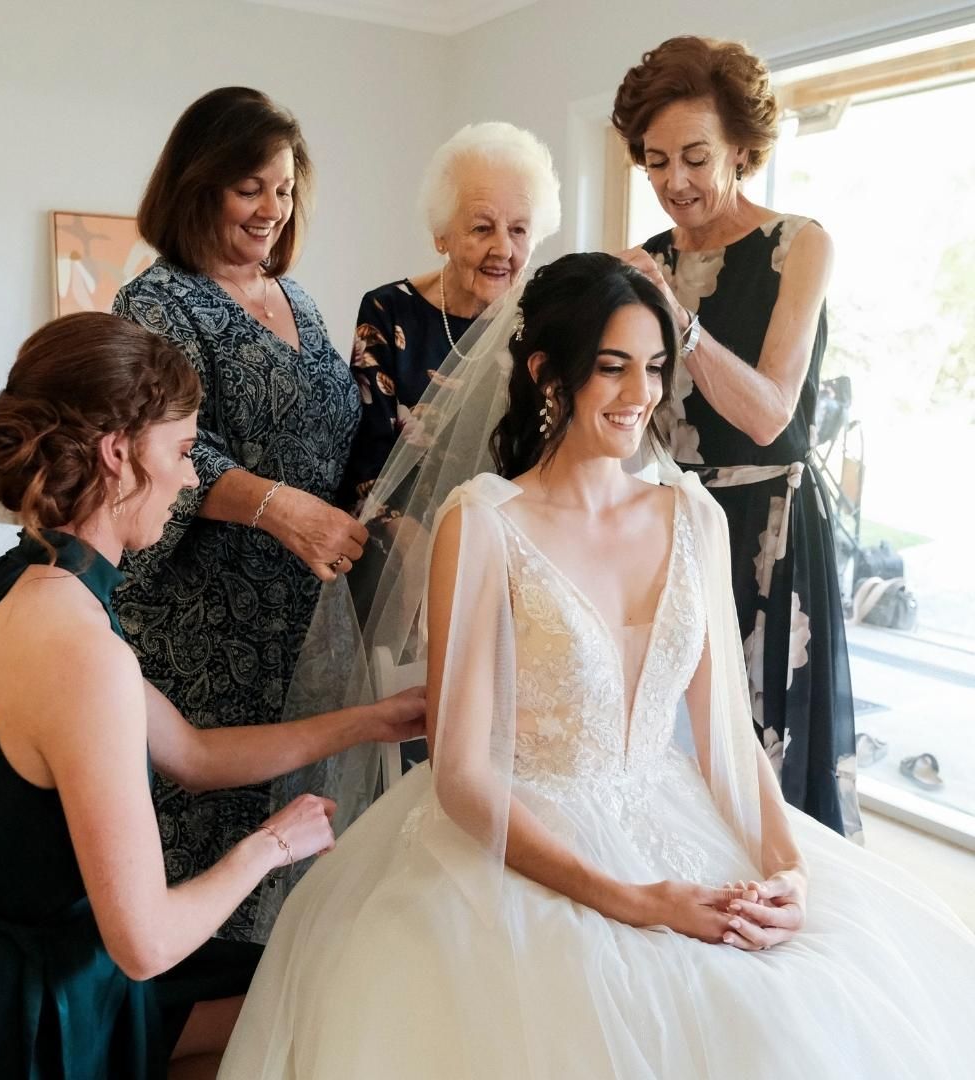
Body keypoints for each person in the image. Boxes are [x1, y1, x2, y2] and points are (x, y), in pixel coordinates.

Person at [217, 254, 975, 1080]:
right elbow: (461, 777)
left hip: (673, 816)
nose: (639, 393)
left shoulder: (694, 516)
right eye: (613, 367)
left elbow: (728, 739)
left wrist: (787, 868)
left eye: (653, 366)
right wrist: (635, 901)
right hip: (516, 837)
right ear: (549, 372)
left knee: (806, 1014)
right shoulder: (485, 522)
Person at [0, 313, 424, 1080]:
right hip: (21, 1022)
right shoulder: (80, 650)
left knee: (300, 983)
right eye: (181, 451)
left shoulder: (19, 578)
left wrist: (373, 721)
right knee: (315, 997)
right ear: (117, 454)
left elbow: (195, 754)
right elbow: (144, 944)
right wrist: (273, 846)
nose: (190, 478)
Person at [112, 87, 369, 942]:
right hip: (203, 627)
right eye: (249, 187)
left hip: (301, 622)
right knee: (202, 869)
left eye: (285, 189)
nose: (272, 209)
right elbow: (170, 450)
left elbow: (333, 433)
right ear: (199, 185)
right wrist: (276, 508)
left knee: (293, 871)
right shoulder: (159, 304)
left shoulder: (298, 300)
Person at [612, 36, 859, 837]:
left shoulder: (800, 246)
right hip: (666, 527)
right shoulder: (645, 261)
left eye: (695, 157)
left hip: (766, 533)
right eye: (655, 162)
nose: (673, 182)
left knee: (757, 753)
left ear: (743, 150)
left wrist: (677, 317)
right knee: (662, 746)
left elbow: (769, 415)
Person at [338, 121, 561, 514]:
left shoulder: (546, 321)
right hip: (401, 533)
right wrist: (423, 546)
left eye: (518, 230)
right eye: (482, 228)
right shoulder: (388, 311)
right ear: (441, 235)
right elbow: (368, 465)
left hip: (514, 531)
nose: (503, 249)